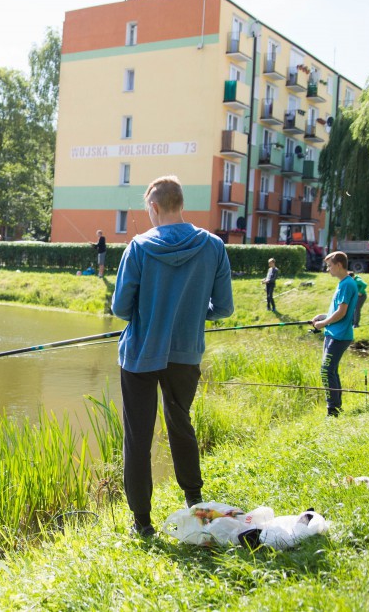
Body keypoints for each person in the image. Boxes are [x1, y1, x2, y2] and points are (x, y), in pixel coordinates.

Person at [111, 175, 234, 537]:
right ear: (181, 204)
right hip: (185, 353)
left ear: (154, 207)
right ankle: (194, 501)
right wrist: (194, 312)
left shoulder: (138, 247)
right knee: (180, 422)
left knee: (138, 437)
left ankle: (142, 524)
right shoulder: (213, 246)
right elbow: (223, 308)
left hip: (139, 355)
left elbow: (120, 307)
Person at [312, 251, 357, 417]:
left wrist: (323, 324)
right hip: (333, 333)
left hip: (340, 335)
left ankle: (333, 410)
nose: (328, 269)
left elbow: (342, 312)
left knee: (326, 370)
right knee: (331, 371)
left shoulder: (347, 284)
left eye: (329, 265)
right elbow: (335, 311)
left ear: (339, 265)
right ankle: (336, 408)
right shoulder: (343, 283)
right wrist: (322, 317)